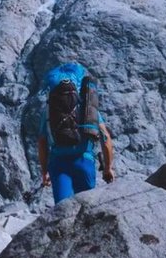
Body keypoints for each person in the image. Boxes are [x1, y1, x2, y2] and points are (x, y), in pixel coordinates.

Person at [36, 61, 115, 204]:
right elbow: (105, 137)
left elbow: (42, 142)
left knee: (62, 209)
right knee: (87, 207)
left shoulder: (49, 111)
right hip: (84, 161)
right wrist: (108, 168)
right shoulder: (87, 108)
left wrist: (44, 171)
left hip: (58, 163)